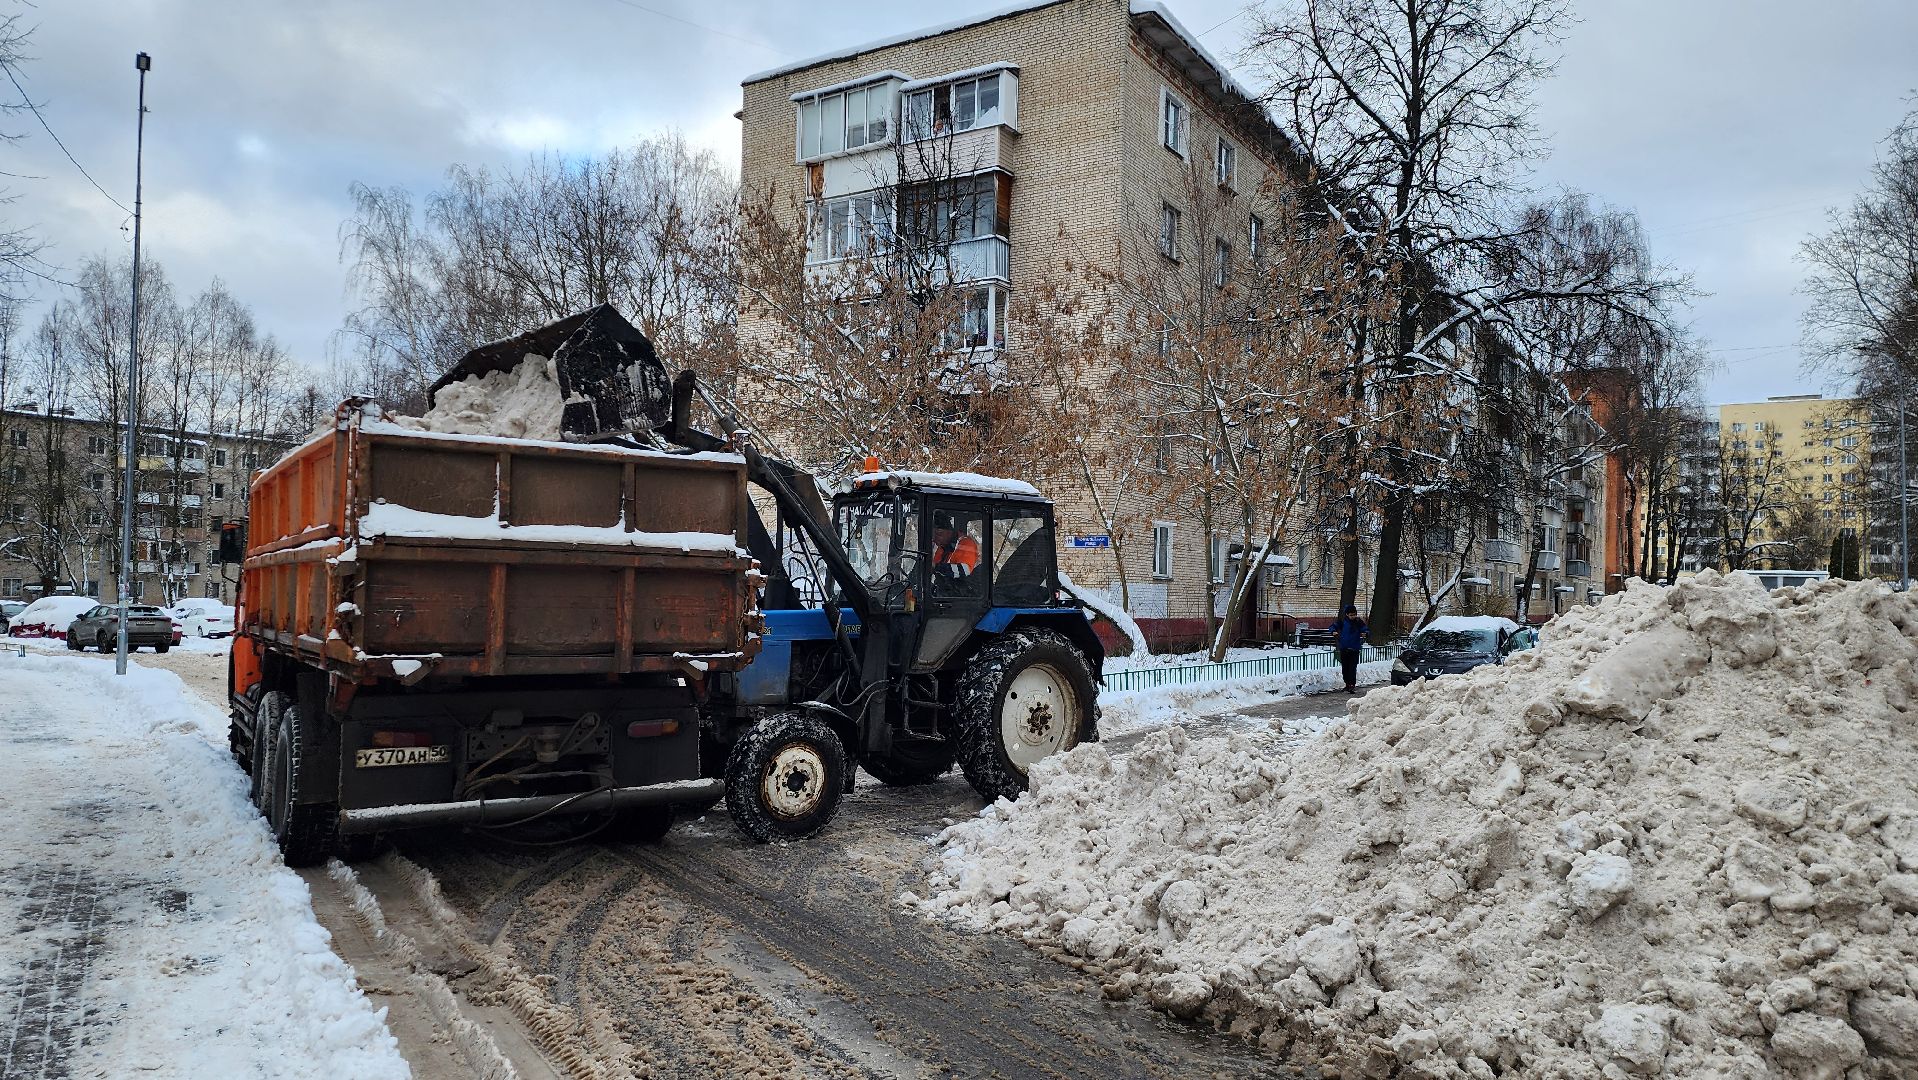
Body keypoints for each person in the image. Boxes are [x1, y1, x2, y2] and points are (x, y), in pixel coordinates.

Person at [930, 512, 980, 584]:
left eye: (938, 534)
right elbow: (934, 567)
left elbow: (964, 571)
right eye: (933, 535)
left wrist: (935, 566)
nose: (934, 539)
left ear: (949, 532)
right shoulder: (943, 547)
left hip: (963, 591)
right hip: (946, 590)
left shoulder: (966, 544)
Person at [1332, 604, 1367, 692]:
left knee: (1352, 667)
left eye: (1354, 614)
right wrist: (1333, 631)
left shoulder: (1359, 622)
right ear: (1347, 614)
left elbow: (1365, 629)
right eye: (1351, 615)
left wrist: (1365, 633)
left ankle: (1352, 684)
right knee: (1345, 667)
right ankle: (1347, 683)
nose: (1353, 616)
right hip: (1344, 648)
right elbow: (1333, 626)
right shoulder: (1343, 622)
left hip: (1354, 648)